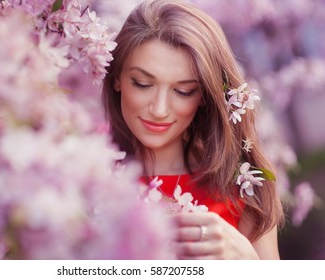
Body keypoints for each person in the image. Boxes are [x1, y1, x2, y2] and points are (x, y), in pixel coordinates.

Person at [102, 0, 284, 259]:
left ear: (204, 96)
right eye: (142, 83)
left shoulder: (245, 186)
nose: (160, 109)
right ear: (117, 78)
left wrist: (249, 264)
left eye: (183, 91)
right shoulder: (87, 172)